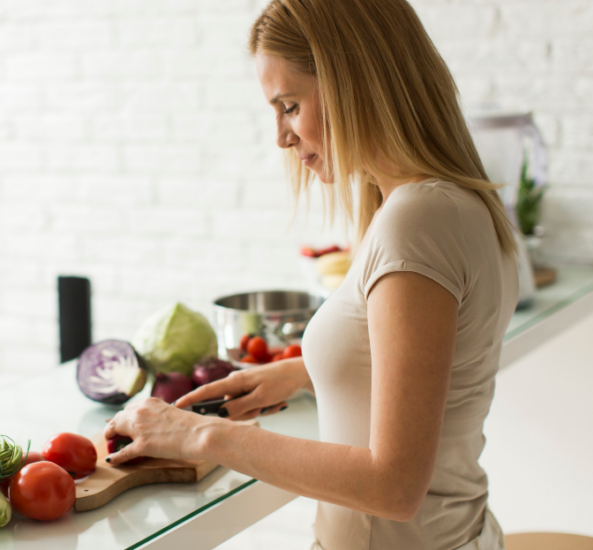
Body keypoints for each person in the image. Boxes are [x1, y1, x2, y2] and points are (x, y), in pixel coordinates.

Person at [103, 0, 519, 548]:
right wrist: (303, 371)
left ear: (356, 82)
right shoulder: (453, 199)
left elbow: (393, 486)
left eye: (290, 105)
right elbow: (438, 363)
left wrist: (198, 433)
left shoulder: (416, 219)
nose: (281, 135)